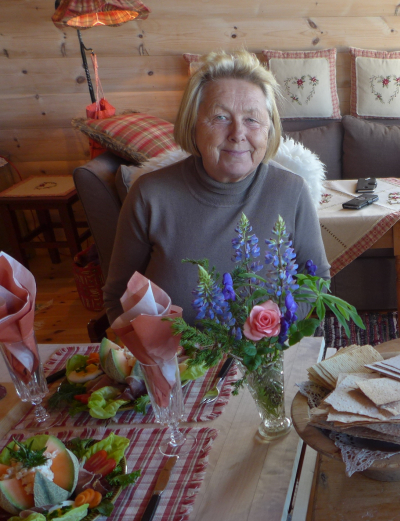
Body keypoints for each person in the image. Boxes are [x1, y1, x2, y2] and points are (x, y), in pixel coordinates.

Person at [103, 50, 330, 323]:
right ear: (193, 125)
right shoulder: (149, 195)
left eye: (252, 119)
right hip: (176, 361)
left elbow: (315, 281)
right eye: (220, 117)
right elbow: (118, 295)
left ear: (269, 129)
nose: (237, 134)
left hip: (264, 360)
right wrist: (154, 357)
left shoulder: (292, 191)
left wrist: (274, 329)